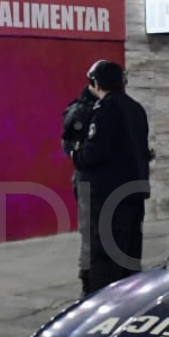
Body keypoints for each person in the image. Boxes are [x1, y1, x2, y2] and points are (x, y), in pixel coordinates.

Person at [71, 60, 152, 293]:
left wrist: (77, 153)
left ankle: (104, 306)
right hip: (134, 193)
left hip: (109, 197)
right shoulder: (136, 108)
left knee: (106, 258)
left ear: (96, 83)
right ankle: (130, 302)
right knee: (130, 254)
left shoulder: (104, 109)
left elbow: (94, 152)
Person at [62, 60, 107, 296]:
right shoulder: (80, 110)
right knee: (91, 234)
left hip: (106, 181)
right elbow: (68, 145)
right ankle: (88, 286)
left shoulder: (108, 107)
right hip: (88, 179)